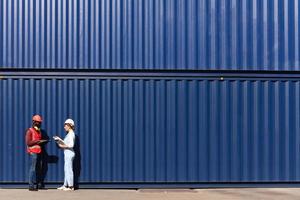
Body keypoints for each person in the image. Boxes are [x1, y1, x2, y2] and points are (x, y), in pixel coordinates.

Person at [25, 114, 47, 191]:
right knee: (33, 168)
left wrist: (43, 141)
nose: (39, 123)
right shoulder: (29, 131)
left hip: (38, 152)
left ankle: (38, 185)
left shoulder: (39, 131)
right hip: (33, 152)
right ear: (33, 122)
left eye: (39, 122)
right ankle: (31, 186)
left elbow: (38, 141)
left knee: (38, 168)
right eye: (37, 122)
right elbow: (28, 143)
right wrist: (37, 141)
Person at [57, 119, 76, 191]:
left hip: (69, 153)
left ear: (70, 125)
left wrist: (62, 146)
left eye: (65, 125)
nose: (64, 126)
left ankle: (71, 186)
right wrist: (60, 141)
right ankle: (65, 185)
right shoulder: (69, 134)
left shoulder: (71, 134)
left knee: (69, 169)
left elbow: (71, 145)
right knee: (66, 169)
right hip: (67, 153)